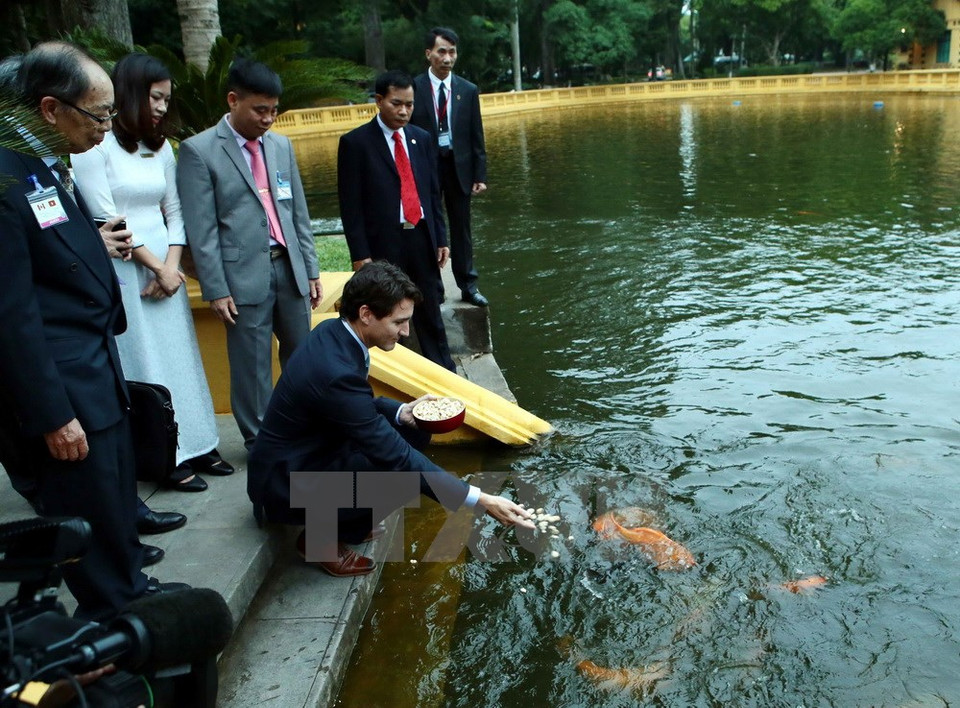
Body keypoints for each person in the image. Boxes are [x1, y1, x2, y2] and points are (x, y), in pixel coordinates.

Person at [0, 42, 185, 621]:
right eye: (98, 115)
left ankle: (130, 586)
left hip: (95, 366)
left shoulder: (45, 164)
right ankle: (116, 618)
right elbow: (12, 313)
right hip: (63, 385)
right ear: (51, 109)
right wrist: (52, 413)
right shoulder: (7, 178)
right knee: (87, 502)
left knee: (112, 498)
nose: (108, 128)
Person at [247, 261, 533, 577]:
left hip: (314, 451)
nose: (406, 332)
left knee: (415, 432)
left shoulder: (335, 332)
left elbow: (354, 407)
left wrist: (402, 411)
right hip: (284, 481)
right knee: (402, 476)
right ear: (367, 314)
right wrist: (480, 499)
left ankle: (348, 521)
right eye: (399, 322)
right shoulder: (334, 372)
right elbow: (393, 455)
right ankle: (319, 540)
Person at [71, 53, 233, 492]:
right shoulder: (93, 147)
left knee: (181, 355)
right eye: (156, 98)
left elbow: (175, 211)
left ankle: (199, 440)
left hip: (167, 268)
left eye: (166, 99)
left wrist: (173, 267)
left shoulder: (160, 147)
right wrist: (156, 268)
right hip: (125, 267)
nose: (162, 107)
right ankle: (164, 453)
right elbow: (107, 216)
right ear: (130, 95)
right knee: (146, 357)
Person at [177, 58, 322, 450]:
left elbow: (297, 214)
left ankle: (303, 428)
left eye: (274, 110)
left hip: (288, 269)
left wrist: (310, 269)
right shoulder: (199, 151)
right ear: (233, 100)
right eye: (260, 110)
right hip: (240, 276)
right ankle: (261, 441)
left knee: (301, 356)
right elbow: (201, 230)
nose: (268, 119)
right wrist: (216, 288)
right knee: (252, 365)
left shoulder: (281, 146)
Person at [337, 70, 456, 372]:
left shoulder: (421, 138)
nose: (404, 111)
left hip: (421, 237)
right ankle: (399, 377)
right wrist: (360, 255)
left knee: (429, 310)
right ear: (378, 101)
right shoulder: (356, 143)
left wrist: (440, 238)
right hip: (383, 244)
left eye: (409, 105)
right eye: (396, 103)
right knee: (388, 313)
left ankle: (444, 373)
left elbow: (431, 193)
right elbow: (350, 206)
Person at [411, 27, 489, 307]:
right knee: (429, 226)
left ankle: (468, 285)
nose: (447, 57)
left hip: (459, 167)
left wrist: (480, 174)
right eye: (441, 51)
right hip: (426, 168)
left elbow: (475, 134)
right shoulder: (415, 88)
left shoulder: (467, 90)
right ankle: (433, 287)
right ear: (428, 53)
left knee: (462, 228)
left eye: (452, 51)